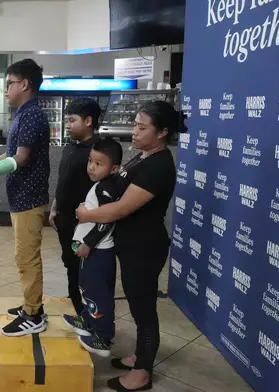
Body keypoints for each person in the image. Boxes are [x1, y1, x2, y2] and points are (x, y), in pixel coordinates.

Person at [76, 101, 184, 392]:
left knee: (144, 310)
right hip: (131, 245)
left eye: (142, 127)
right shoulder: (144, 156)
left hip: (144, 248)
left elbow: (120, 209)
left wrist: (86, 214)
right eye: (135, 124)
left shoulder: (160, 166)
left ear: (162, 132)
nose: (134, 131)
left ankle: (143, 372)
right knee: (139, 307)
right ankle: (140, 356)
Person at [0, 58, 50, 336]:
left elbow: (22, 159)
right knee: (22, 256)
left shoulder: (32, 115)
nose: (5, 90)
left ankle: (34, 314)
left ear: (24, 84)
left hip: (29, 198)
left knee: (27, 257)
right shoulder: (22, 114)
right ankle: (30, 304)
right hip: (20, 197)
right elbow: (13, 153)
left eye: (9, 84)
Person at [62, 138, 123, 358]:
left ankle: (103, 337)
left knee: (98, 294)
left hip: (99, 252)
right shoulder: (100, 186)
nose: (91, 167)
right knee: (87, 289)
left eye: (99, 164)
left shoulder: (106, 189)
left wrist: (87, 242)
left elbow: (106, 221)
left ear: (113, 168)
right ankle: (87, 322)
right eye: (90, 161)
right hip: (92, 252)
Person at [49, 98, 103, 316]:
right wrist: (54, 207)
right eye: (67, 121)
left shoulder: (99, 152)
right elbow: (63, 180)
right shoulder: (70, 147)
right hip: (64, 218)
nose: (68, 125)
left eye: (72, 120)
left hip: (85, 223)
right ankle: (76, 308)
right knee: (70, 265)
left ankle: (90, 315)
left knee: (86, 270)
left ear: (88, 120)